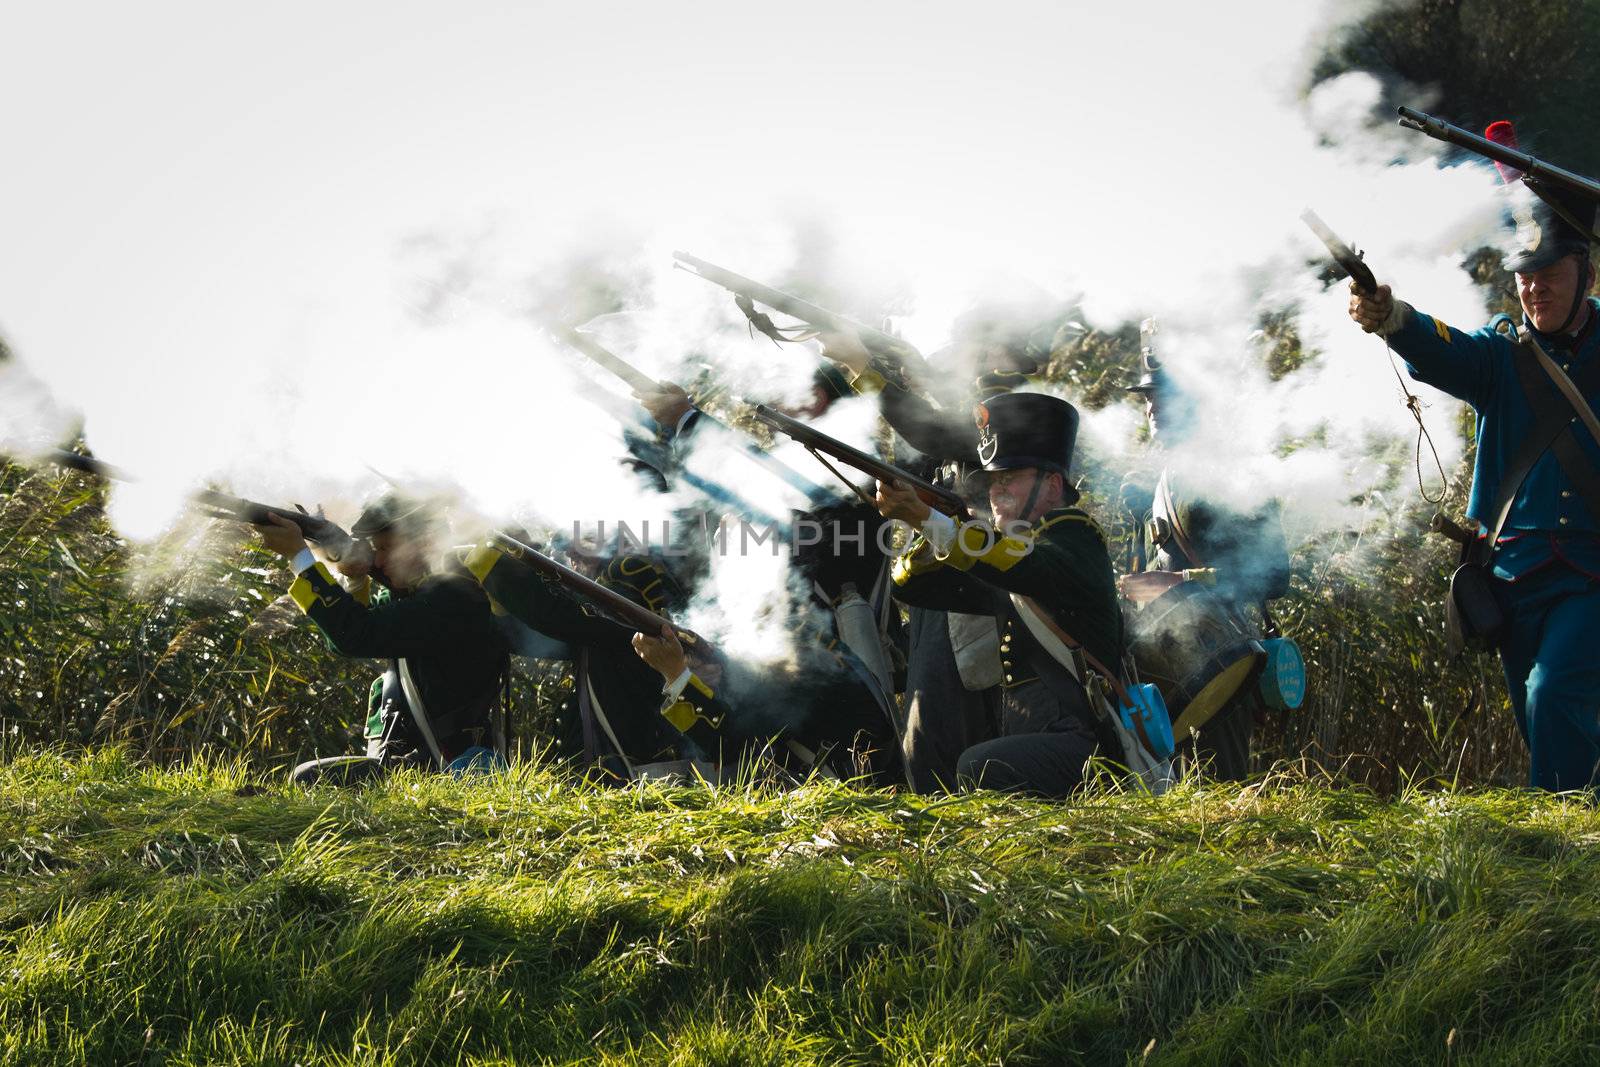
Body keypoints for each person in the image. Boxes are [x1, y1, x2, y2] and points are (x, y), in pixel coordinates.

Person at [1348, 190, 1600, 791]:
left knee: (1555, 690)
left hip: (1593, 572)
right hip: (1511, 578)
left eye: (1550, 274)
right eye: (1525, 277)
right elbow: (1444, 350)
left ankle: (1556, 845)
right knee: (1541, 716)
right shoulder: (1502, 352)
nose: (1534, 289)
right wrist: (1393, 318)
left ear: (1585, 273)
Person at [874, 391, 1130, 796]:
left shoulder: (1075, 537)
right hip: (1040, 737)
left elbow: (1022, 564)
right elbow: (916, 587)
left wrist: (928, 518)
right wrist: (932, 523)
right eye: (993, 480)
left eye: (1009, 477)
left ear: (1052, 484)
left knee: (978, 765)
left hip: (1086, 743)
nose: (996, 490)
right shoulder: (1009, 554)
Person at [1120, 321, 1289, 780]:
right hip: (1172, 659)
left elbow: (1275, 574)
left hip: (1224, 650)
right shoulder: (1161, 477)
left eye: (1164, 396)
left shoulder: (1235, 471)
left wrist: (1185, 581)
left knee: (1223, 783)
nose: (1151, 406)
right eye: (1149, 397)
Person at [254, 492, 509, 786]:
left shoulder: (454, 598)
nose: (377, 559)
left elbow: (356, 635)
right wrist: (355, 579)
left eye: (386, 547)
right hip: (408, 761)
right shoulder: (420, 595)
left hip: (442, 765)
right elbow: (344, 635)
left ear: (425, 543)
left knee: (308, 778)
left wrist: (299, 556)